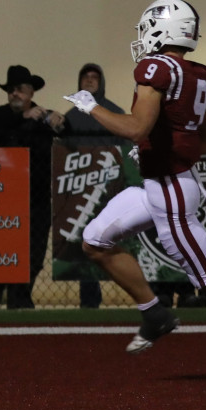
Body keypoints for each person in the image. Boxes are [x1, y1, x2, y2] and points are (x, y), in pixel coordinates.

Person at [65, 0, 206, 385]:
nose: (142, 37)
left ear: (162, 30)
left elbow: (135, 127)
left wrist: (90, 107)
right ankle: (155, 312)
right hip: (160, 184)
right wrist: (166, 148)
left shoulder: (156, 67)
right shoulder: (199, 73)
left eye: (146, 28)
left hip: (172, 192)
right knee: (95, 241)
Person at [0, 65, 63, 310]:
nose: (15, 93)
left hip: (37, 197)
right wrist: (24, 119)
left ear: (31, 93)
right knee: (1, 253)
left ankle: (21, 297)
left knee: (34, 252)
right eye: (11, 89)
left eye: (20, 89)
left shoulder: (42, 116)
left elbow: (65, 130)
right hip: (5, 197)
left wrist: (58, 118)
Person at [61, 63, 129, 309]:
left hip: (111, 188)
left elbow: (125, 147)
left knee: (119, 242)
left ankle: (136, 291)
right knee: (84, 245)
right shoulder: (69, 117)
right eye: (85, 77)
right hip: (80, 189)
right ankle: (90, 300)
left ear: (101, 83)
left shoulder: (113, 112)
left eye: (94, 77)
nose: (89, 81)